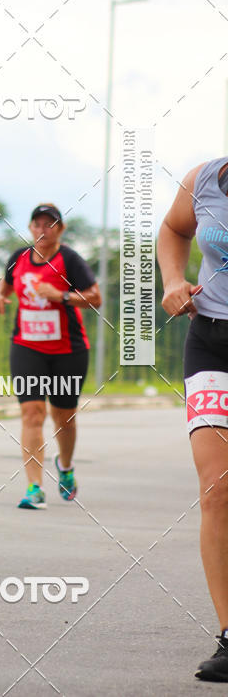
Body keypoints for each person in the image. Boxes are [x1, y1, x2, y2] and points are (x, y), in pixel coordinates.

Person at [159, 157, 228, 683]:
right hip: (211, 342)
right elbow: (172, 229)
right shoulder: (205, 178)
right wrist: (174, 278)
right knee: (218, 491)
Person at [0, 204, 100, 509]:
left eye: (49, 224)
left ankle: (65, 466)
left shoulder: (70, 260)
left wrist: (61, 295)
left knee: (63, 416)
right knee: (32, 413)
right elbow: (6, 285)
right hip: (27, 346)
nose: (42, 230)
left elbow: (95, 297)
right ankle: (34, 487)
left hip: (68, 349)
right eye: (37, 224)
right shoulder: (19, 258)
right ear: (30, 228)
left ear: (60, 229)